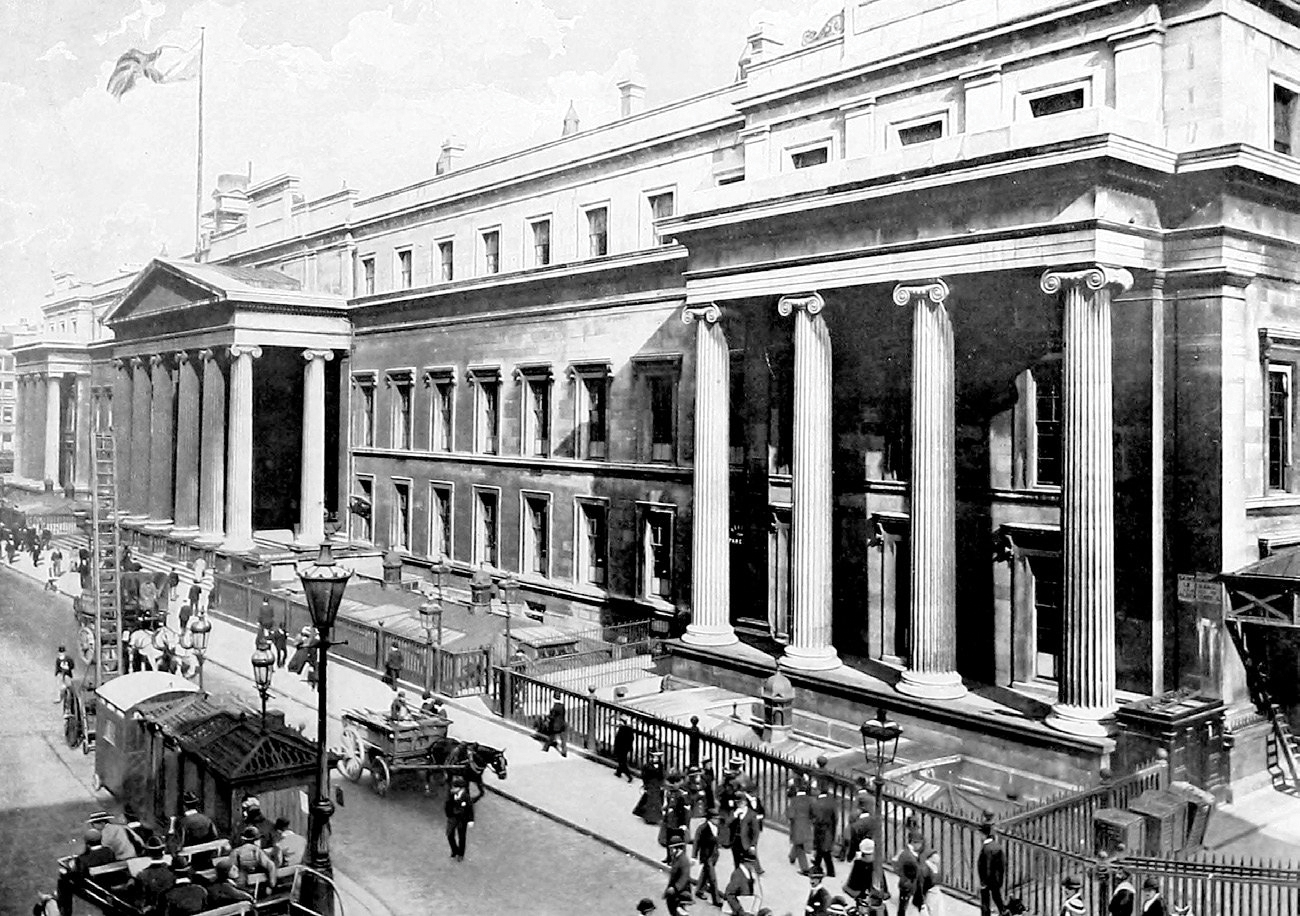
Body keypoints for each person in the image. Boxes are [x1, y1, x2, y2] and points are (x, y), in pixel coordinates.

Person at [56, 827, 116, 916]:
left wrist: (67, 873)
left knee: (63, 882)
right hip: (110, 882)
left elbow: (78, 876)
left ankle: (65, 912)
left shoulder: (84, 859)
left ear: (87, 843)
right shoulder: (109, 852)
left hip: (96, 888)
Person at [130, 837, 177, 910]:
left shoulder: (142, 875)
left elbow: (139, 902)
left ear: (147, 852)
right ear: (163, 850)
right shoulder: (173, 871)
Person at [977, 812, 1008, 916]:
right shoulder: (997, 846)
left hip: (987, 880)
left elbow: (987, 866)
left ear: (983, 835)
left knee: (985, 901)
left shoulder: (986, 849)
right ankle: (1003, 911)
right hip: (996, 879)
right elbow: (1002, 864)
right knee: (997, 897)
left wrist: (984, 882)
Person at [693, 810, 723, 907]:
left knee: (705, 873)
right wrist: (694, 856)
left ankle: (699, 890)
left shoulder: (717, 827)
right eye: (716, 819)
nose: (718, 820)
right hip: (706, 856)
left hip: (714, 855)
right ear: (710, 819)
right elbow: (696, 842)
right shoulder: (702, 828)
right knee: (712, 878)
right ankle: (716, 900)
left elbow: (717, 839)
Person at [810, 784, 838, 878]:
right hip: (829, 829)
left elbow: (817, 818)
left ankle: (829, 871)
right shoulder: (831, 802)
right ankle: (817, 867)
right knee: (823, 851)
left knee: (823, 851)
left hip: (821, 830)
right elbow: (835, 818)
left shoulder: (818, 803)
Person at [722, 849, 761, 916]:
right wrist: (740, 911)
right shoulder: (738, 875)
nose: (753, 866)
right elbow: (729, 894)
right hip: (738, 911)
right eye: (752, 863)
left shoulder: (750, 873)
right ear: (746, 863)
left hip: (747, 908)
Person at [445, 774, 475, 861]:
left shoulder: (466, 797)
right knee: (449, 835)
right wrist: (449, 814)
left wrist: (470, 820)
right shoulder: (451, 795)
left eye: (454, 787)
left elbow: (470, 809)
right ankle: (454, 850)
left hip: (462, 819)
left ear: (460, 788)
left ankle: (461, 854)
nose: (452, 789)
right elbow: (447, 805)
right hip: (452, 817)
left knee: (462, 837)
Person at [788, 778, 813, 874]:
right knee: (799, 842)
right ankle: (792, 856)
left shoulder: (794, 800)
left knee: (799, 845)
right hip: (806, 824)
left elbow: (791, 815)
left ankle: (805, 868)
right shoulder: (809, 800)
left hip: (796, 825)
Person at [729, 795, 761, 872]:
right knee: (737, 863)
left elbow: (756, 831)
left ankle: (748, 879)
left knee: (747, 865)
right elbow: (727, 824)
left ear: (745, 803)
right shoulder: (734, 812)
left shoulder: (752, 814)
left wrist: (753, 844)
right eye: (738, 803)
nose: (739, 805)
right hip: (735, 841)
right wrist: (735, 815)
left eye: (741, 803)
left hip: (746, 843)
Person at [635, 746, 666, 824]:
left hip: (657, 784)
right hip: (651, 784)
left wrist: (662, 784)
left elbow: (662, 775)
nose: (657, 758)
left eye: (658, 757)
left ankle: (655, 817)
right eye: (655, 757)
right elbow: (644, 775)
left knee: (657, 801)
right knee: (651, 801)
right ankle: (649, 817)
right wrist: (645, 784)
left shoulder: (661, 765)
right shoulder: (647, 766)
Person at [895, 833, 924, 916]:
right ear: (914, 843)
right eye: (919, 843)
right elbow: (915, 874)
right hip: (909, 884)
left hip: (905, 883)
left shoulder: (906, 852)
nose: (920, 846)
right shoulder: (909, 857)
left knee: (903, 907)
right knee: (904, 907)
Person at [665, 833, 693, 916]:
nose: (670, 851)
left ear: (676, 848)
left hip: (681, 892)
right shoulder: (676, 858)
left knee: (680, 912)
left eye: (671, 848)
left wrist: (675, 888)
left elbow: (684, 877)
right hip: (674, 892)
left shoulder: (683, 860)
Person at [842, 838, 877, 904]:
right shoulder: (876, 863)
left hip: (860, 893)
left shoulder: (858, 863)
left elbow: (853, 880)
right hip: (874, 895)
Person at [917, 850, 945, 915]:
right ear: (931, 857)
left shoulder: (934, 867)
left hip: (936, 891)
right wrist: (922, 901)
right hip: (930, 893)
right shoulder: (925, 869)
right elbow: (921, 885)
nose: (938, 858)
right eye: (936, 856)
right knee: (933, 911)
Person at [541, 690, 568, 756]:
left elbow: (552, 717)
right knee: (563, 739)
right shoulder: (562, 706)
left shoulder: (555, 707)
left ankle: (546, 748)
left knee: (551, 737)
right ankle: (564, 751)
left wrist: (547, 716)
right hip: (562, 724)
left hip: (555, 725)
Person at [614, 712, 636, 782]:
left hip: (621, 748)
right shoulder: (629, 729)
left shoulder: (622, 729)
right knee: (622, 760)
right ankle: (618, 772)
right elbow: (632, 738)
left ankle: (629, 776)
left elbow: (618, 740)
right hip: (626, 748)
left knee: (622, 762)